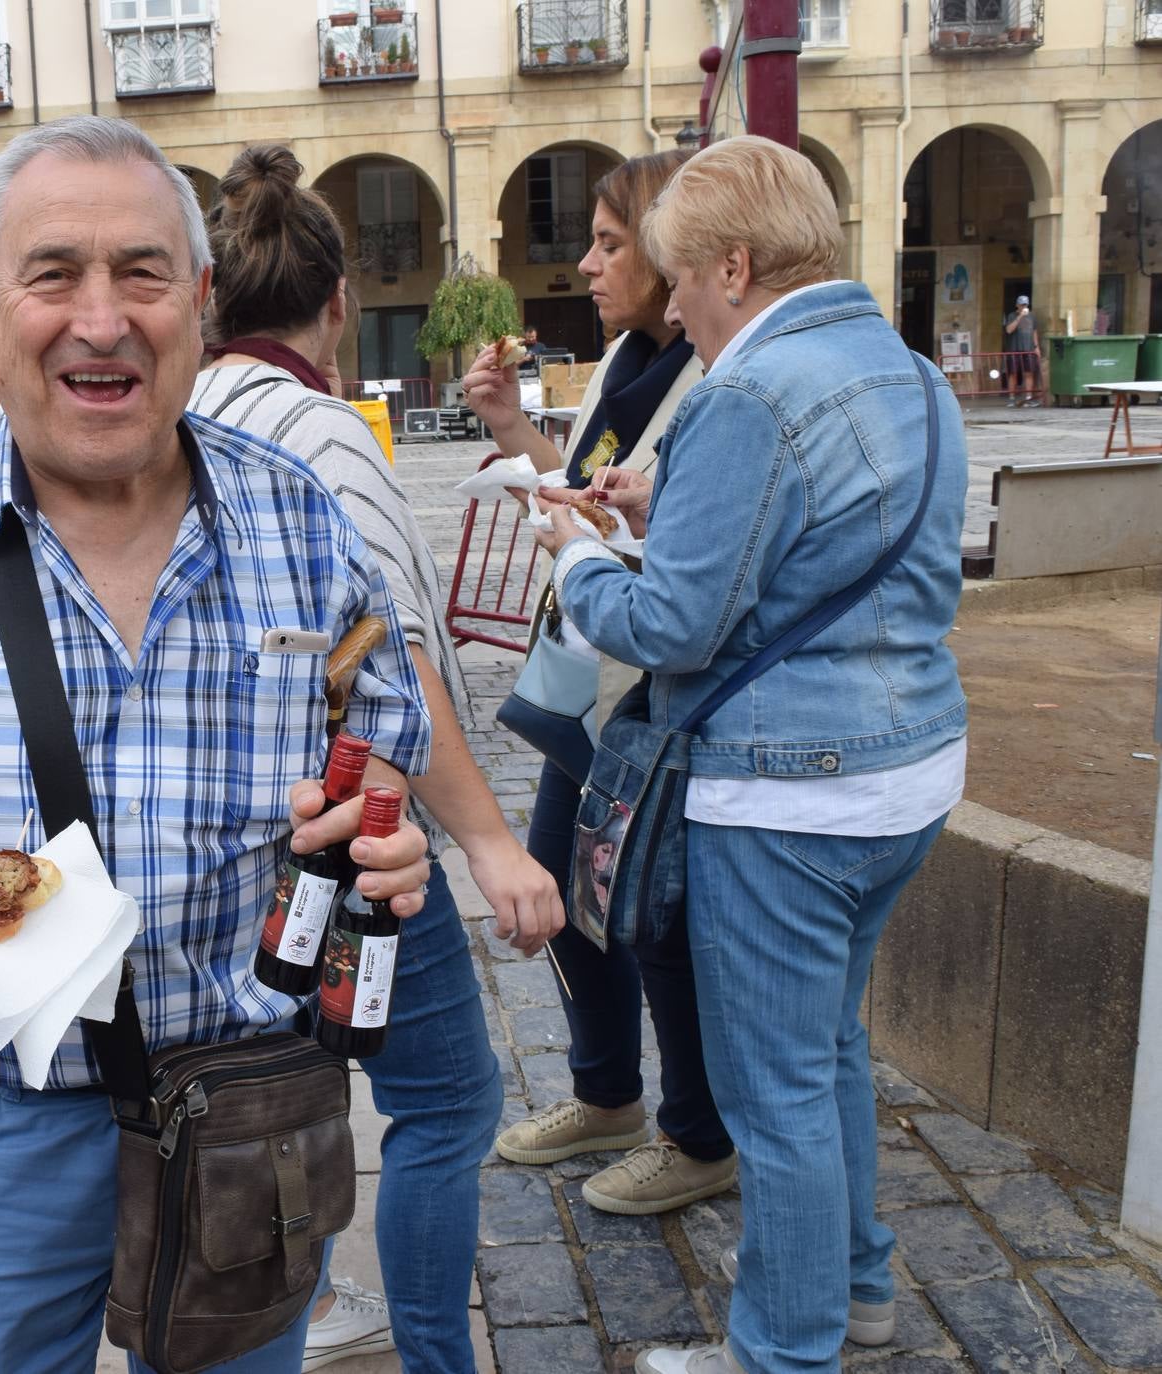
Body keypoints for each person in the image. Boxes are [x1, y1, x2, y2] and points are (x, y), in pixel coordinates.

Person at [0, 115, 437, 1373]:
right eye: (54, 274)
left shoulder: (301, 519)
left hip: (242, 1107)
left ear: (202, 303)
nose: (101, 320)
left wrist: (386, 847)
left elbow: (384, 743)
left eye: (143, 274)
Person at [528, 137, 967, 1374]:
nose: (670, 306)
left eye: (679, 279)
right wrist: (663, 512)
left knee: (774, 1090)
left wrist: (575, 561)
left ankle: (784, 1350)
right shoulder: (906, 369)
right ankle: (858, 1291)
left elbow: (668, 626)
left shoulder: (747, 395)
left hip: (788, 796)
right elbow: (831, 545)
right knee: (826, 1051)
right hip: (908, 770)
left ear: (734, 263)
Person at [191, 143, 564, 1374]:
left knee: (271, 1104)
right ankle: (428, 1357)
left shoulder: (191, 409)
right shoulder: (322, 433)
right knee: (445, 1101)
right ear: (337, 303)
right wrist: (493, 843)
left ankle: (289, 1315)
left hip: (222, 834)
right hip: (352, 838)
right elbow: (387, 663)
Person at [459, 150, 736, 1221]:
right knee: (563, 889)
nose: (586, 265)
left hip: (648, 687)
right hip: (582, 676)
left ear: (678, 255)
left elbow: (682, 541)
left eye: (612, 243)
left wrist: (602, 526)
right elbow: (587, 485)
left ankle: (697, 1135)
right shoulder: (627, 354)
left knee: (650, 914)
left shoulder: (714, 375)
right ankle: (609, 1095)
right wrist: (509, 426)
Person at [1003, 294, 1041, 407]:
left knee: (1029, 373)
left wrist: (1036, 346)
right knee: (1013, 374)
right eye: (1021, 305)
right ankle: (1012, 398)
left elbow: (1034, 331)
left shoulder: (1032, 317)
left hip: (1028, 349)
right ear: (1017, 305)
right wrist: (1019, 317)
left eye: (1025, 305)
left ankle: (1028, 397)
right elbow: (1009, 330)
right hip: (1014, 349)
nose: (1023, 307)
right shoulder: (1011, 315)